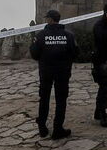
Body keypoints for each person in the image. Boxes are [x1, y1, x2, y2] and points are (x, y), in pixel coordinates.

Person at [30, 9, 77, 139]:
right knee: (61, 100)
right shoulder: (68, 35)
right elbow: (75, 53)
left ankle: (42, 127)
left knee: (44, 98)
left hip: (46, 72)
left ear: (50, 19)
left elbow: (34, 53)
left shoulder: (40, 36)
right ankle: (58, 129)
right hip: (62, 72)